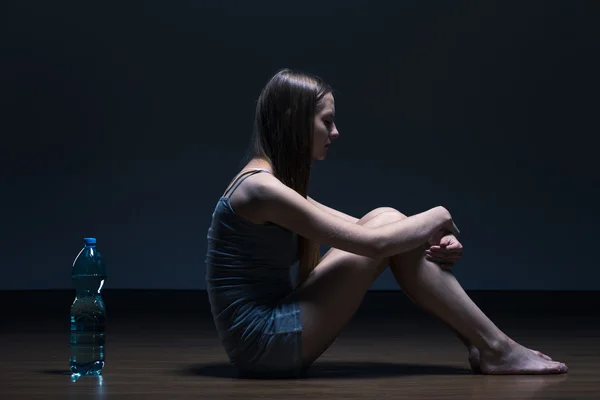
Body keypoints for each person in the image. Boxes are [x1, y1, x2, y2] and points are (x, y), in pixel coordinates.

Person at [205, 68, 568, 378]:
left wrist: (424, 240)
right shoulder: (261, 189)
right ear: (292, 120)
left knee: (387, 219)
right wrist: (438, 216)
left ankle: (486, 346)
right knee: (390, 227)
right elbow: (374, 245)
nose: (335, 133)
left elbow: (368, 232)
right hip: (262, 345)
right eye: (326, 121)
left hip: (267, 332)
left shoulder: (270, 184)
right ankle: (494, 347)